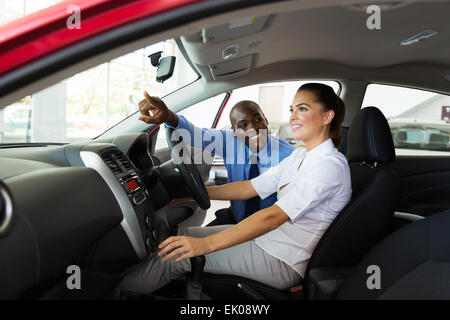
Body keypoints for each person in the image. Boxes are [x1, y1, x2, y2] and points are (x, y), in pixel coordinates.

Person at [119, 83, 352, 294]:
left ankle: (116, 294)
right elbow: (248, 188)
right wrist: (196, 192)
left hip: (281, 258)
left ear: (327, 116)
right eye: (292, 110)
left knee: (174, 256)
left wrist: (205, 245)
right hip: (266, 240)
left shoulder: (327, 165)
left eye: (302, 109)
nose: (293, 117)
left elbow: (272, 217)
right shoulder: (302, 156)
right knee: (186, 236)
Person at [137, 93, 294, 225]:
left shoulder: (289, 157)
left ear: (266, 120)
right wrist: (169, 117)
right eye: (243, 125)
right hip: (236, 219)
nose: (253, 129)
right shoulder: (230, 141)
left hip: (267, 229)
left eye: (258, 119)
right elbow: (194, 135)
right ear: (234, 132)